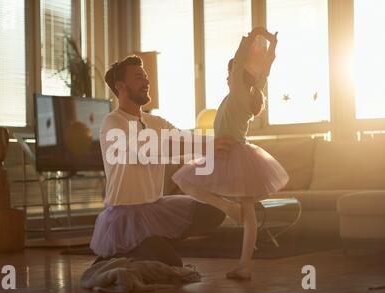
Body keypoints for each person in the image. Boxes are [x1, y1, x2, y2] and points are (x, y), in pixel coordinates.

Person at [90, 55, 234, 267]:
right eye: (139, 77)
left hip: (155, 209)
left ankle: (150, 244)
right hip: (124, 217)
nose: (147, 81)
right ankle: (125, 250)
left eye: (146, 76)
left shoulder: (155, 122)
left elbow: (184, 139)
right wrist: (205, 146)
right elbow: (145, 150)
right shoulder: (113, 122)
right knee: (172, 266)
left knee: (214, 211)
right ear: (121, 86)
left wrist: (218, 143)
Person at [172, 27, 289, 280]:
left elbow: (240, 65)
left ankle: (228, 211)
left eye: (230, 72)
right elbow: (266, 70)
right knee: (246, 210)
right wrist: (272, 46)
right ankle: (244, 264)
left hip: (230, 151)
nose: (228, 76)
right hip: (234, 150)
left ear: (236, 73)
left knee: (185, 182)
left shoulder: (238, 92)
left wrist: (252, 36)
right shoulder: (252, 91)